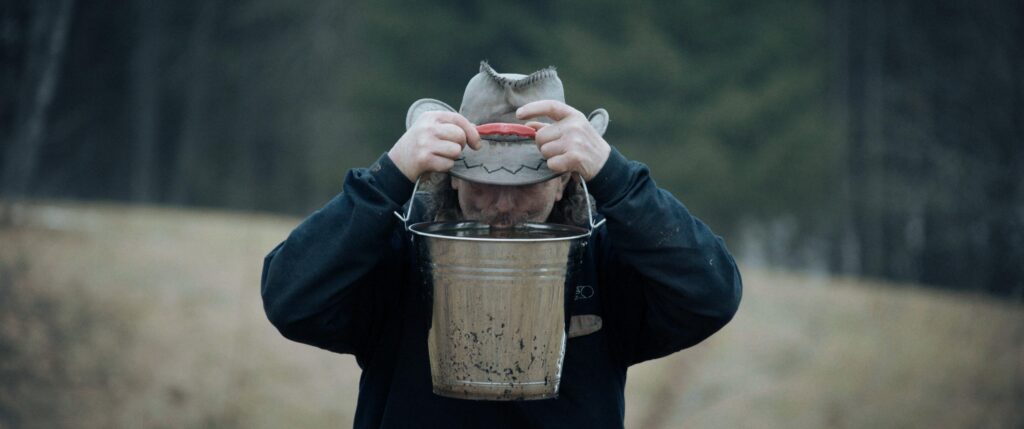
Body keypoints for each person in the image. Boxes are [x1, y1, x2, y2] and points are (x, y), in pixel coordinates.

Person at [261, 62, 742, 429]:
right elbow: (289, 298)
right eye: (482, 183)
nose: (503, 207)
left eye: (526, 185)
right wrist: (388, 176)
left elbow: (713, 294)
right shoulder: (403, 259)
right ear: (450, 177)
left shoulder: (602, 264)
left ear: (565, 181)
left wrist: (616, 176)